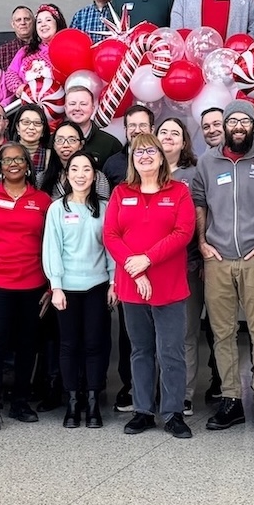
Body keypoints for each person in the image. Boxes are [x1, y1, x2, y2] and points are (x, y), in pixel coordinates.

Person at [192, 100, 254, 435]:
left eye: (243, 121)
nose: (237, 126)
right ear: (224, 126)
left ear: (253, 126)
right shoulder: (207, 161)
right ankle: (231, 399)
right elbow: (200, 204)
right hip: (217, 259)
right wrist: (203, 243)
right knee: (222, 333)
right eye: (231, 120)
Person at [103, 133, 196, 439]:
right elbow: (111, 236)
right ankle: (143, 410)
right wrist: (136, 268)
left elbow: (183, 232)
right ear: (132, 158)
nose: (144, 156)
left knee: (171, 352)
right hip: (132, 286)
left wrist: (147, 260)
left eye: (150, 151)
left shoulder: (179, 191)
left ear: (160, 156)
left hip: (168, 285)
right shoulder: (120, 192)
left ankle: (172, 413)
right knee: (140, 351)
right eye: (138, 151)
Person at [0, 143, 52, 432]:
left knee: (28, 345)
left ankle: (20, 401)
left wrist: (52, 286)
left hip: (33, 284)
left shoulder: (42, 201)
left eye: (19, 159)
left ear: (28, 165)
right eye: (7, 160)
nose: (13, 164)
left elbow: (52, 246)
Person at [43, 152, 116, 429]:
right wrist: (56, 286)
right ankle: (73, 402)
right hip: (67, 289)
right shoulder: (56, 209)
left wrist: (113, 281)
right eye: (75, 169)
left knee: (95, 344)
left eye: (87, 169)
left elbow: (111, 247)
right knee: (69, 345)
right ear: (66, 174)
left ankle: (94, 401)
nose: (81, 174)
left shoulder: (106, 208)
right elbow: (52, 250)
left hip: (97, 286)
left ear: (94, 176)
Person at [157, 117, 216, 414]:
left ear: (184, 143)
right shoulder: (144, 172)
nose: (168, 137)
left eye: (175, 134)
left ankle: (184, 392)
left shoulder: (194, 173)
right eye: (163, 132)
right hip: (151, 267)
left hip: (187, 265)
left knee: (185, 331)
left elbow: (204, 214)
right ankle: (159, 388)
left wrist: (203, 254)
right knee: (154, 333)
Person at [99, 105, 155, 412]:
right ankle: (130, 386)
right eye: (131, 125)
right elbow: (110, 223)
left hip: (159, 259)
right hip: (127, 260)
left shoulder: (161, 164)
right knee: (130, 332)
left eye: (142, 124)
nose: (136, 129)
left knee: (164, 331)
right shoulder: (113, 164)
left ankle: (158, 387)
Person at [4, 5, 66, 96]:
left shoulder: (67, 48)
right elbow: (10, 73)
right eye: (39, 22)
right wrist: (19, 87)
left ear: (57, 23)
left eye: (48, 20)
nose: (43, 24)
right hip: (30, 105)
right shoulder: (26, 50)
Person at [40, 121, 112, 199]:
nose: (66, 145)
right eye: (60, 140)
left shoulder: (97, 177)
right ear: (53, 145)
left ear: (81, 144)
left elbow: (103, 207)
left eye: (72, 140)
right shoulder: (41, 178)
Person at [63, 85, 124, 165]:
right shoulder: (53, 142)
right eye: (72, 104)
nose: (77, 108)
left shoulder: (111, 144)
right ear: (65, 108)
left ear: (92, 108)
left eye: (83, 104)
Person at [9, 104, 53, 184]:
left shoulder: (50, 156)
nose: (31, 127)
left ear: (43, 130)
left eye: (37, 123)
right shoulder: (6, 154)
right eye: (26, 122)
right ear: (17, 127)